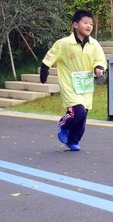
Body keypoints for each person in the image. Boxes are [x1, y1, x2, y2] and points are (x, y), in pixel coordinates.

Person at [40, 9, 107, 152]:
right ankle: (63, 125)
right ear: (75, 25)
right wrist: (44, 70)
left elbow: (100, 59)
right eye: (85, 23)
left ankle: (73, 141)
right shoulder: (64, 43)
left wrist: (99, 68)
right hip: (69, 84)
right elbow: (50, 56)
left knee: (83, 117)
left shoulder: (94, 44)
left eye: (91, 24)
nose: (89, 26)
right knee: (78, 112)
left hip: (85, 85)